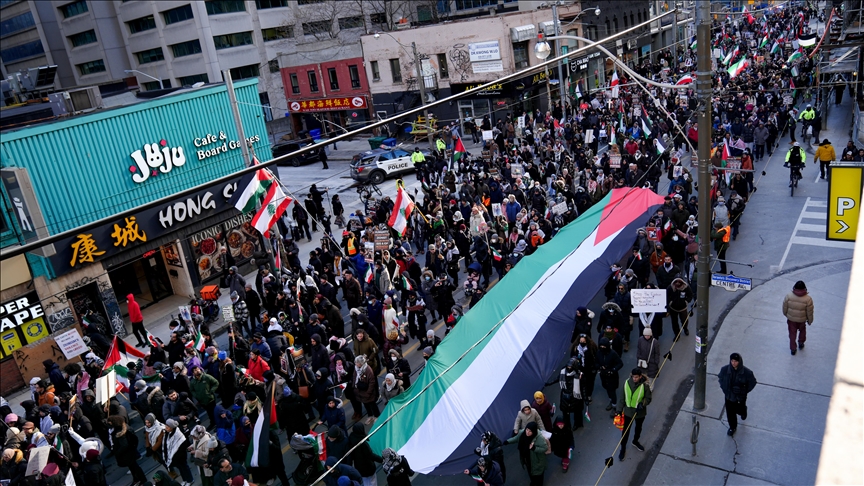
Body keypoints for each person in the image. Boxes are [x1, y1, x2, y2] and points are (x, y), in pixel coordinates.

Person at [718, 352, 757, 437]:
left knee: (739, 409)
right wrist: (724, 388)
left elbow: (753, 382)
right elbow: (720, 378)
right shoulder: (725, 370)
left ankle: (743, 411)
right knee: (730, 413)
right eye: (732, 361)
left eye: (735, 361)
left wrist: (744, 390)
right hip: (729, 396)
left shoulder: (747, 372)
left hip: (740, 397)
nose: (733, 363)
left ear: (739, 362)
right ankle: (732, 427)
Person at [616, 368, 652, 460]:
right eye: (633, 377)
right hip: (628, 412)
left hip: (640, 412)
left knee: (638, 428)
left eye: (636, 377)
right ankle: (623, 448)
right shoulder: (626, 383)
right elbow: (622, 398)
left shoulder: (645, 386)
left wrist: (642, 403)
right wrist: (619, 410)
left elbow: (648, 398)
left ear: (640, 376)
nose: (634, 379)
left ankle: (635, 441)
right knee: (625, 431)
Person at [107, 415, 148, 485]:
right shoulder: (123, 427)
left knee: (134, 467)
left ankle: (142, 480)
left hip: (127, 453)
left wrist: (117, 452)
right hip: (129, 452)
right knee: (133, 467)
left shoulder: (120, 433)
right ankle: (137, 479)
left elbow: (124, 445)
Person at [504, 422, 547, 486]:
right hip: (527, 459)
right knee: (531, 472)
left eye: (530, 431)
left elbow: (544, 448)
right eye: (527, 430)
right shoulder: (522, 433)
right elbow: (516, 438)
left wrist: (534, 448)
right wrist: (508, 441)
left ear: (534, 431)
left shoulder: (539, 438)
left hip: (537, 461)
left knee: (538, 475)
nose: (527, 432)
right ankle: (533, 482)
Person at [782, 280, 815, 355]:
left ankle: (793, 349)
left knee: (792, 334)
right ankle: (801, 342)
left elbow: (784, 307)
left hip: (791, 320)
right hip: (802, 320)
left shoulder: (788, 296)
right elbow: (810, 312)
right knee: (802, 330)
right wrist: (810, 320)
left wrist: (786, 314)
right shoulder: (808, 299)